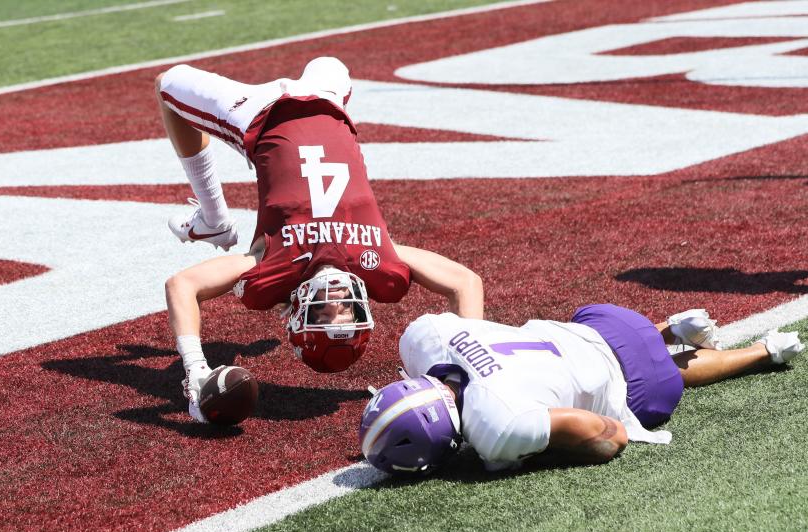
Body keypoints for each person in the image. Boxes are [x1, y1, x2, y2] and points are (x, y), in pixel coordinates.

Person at [155, 57, 484, 423]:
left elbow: (181, 285)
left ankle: (214, 218)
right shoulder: (380, 265)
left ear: (299, 313)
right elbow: (465, 283)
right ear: (363, 311)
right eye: (346, 313)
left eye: (323, 314)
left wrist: (196, 371)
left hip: (258, 117)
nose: (337, 302)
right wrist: (462, 375)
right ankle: (214, 222)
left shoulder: (270, 270)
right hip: (328, 103)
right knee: (329, 62)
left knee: (168, 83)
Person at [360, 305, 804, 473]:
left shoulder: (494, 424)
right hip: (602, 319)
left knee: (647, 382)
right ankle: (666, 328)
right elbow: (465, 284)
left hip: (646, 384)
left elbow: (611, 437)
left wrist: (536, 449)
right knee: (580, 356)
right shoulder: (424, 338)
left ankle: (764, 351)